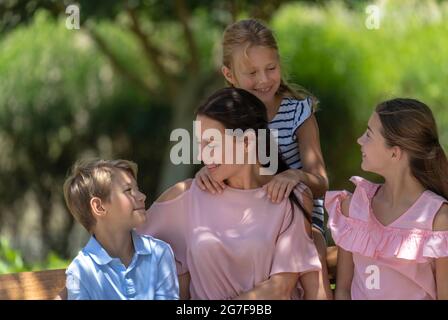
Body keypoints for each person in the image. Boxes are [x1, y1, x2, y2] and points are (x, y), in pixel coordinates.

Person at [138, 87, 331, 300]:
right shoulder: (187, 196)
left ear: (247, 142)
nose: (202, 155)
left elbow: (280, 289)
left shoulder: (290, 197)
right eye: (199, 144)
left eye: (211, 143)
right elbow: (124, 244)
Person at [194, 19, 329, 279]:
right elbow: (217, 158)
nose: (264, 80)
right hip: (246, 216)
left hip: (298, 215)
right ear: (229, 75)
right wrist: (206, 173)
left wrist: (295, 176)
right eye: (252, 73)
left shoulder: (298, 113)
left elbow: (321, 182)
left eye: (271, 68)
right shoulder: (223, 114)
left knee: (311, 244)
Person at [326, 98, 448, 299]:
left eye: (368, 134)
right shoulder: (354, 208)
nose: (359, 140)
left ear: (394, 153)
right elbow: (343, 289)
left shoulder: (438, 220)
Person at [62, 159, 179, 300]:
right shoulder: (80, 272)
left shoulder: (159, 253)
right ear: (99, 207)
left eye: (138, 189)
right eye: (129, 190)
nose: (142, 196)